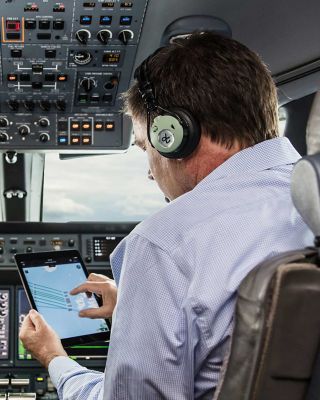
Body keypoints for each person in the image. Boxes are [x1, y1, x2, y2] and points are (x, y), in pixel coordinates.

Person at [20, 32, 312, 399]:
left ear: (173, 136)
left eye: (146, 147)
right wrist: (132, 304)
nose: (149, 171)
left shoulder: (164, 244)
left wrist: (56, 360)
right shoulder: (308, 202)